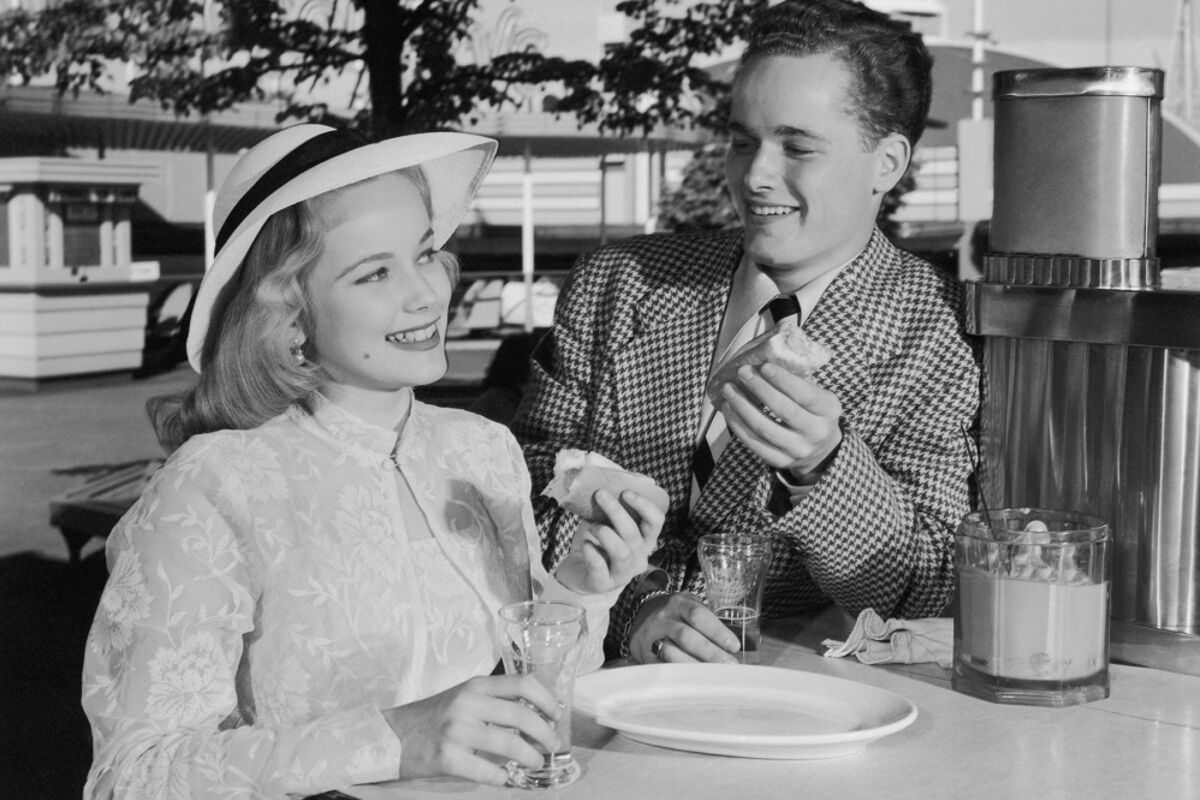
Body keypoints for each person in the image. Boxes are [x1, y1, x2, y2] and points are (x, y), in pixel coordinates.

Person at [81, 124, 664, 798]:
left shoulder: (483, 450)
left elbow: (531, 694)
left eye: (426, 253)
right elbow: (133, 775)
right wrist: (394, 738)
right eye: (375, 273)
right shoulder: (213, 485)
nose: (426, 294)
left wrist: (583, 587)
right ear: (289, 314)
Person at [512, 0, 980, 665]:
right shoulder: (617, 284)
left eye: (798, 147)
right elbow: (518, 497)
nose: (755, 175)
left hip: (802, 696)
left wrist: (824, 467)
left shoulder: (942, 334)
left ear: (888, 162)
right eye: (741, 141)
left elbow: (932, 588)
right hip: (593, 689)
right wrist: (630, 607)